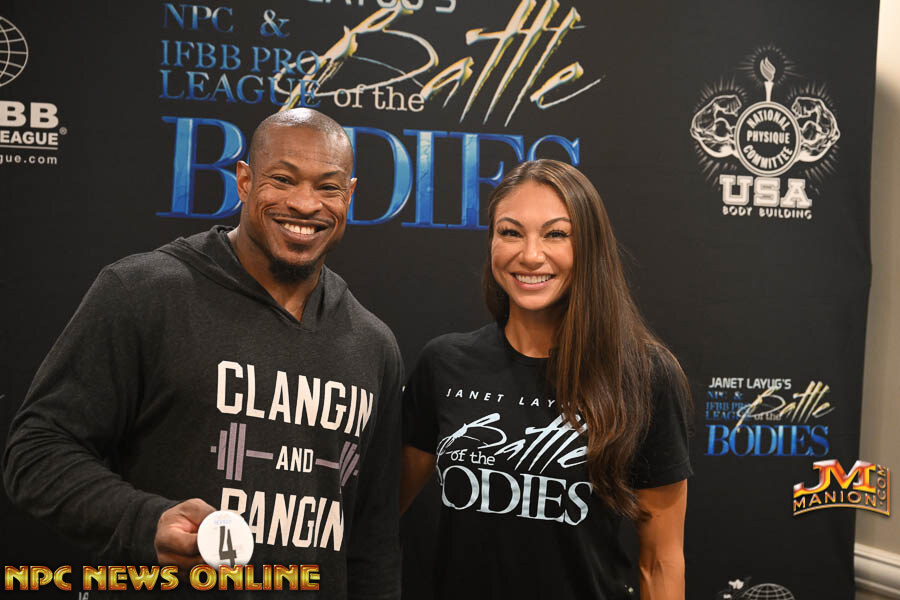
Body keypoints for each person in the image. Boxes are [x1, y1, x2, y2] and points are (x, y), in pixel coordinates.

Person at [3, 108, 402, 598]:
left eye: (328, 187)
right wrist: (144, 521)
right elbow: (36, 451)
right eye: (282, 180)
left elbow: (373, 537)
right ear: (245, 180)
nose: (304, 203)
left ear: (349, 196)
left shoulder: (373, 344)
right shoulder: (143, 292)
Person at [400, 159, 692, 600]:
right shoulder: (443, 364)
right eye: (511, 232)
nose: (531, 255)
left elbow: (661, 562)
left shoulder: (643, 376)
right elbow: (378, 517)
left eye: (556, 234)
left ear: (589, 247)